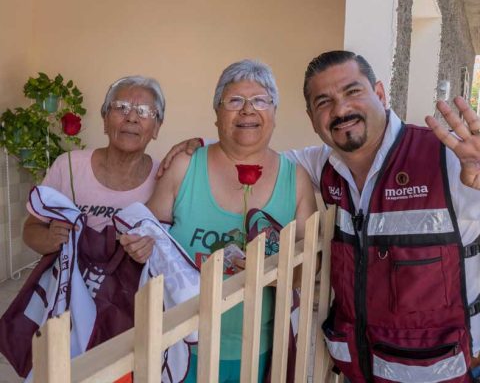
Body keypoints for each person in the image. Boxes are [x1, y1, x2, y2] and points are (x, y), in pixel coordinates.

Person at [158, 51, 480, 382]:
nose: (340, 109)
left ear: (380, 95)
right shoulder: (322, 165)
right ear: (313, 118)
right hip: (358, 371)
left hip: (443, 372)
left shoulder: (450, 161)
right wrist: (203, 145)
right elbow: (250, 150)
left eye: (353, 91)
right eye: (324, 101)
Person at [121, 59, 317, 382]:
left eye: (260, 100)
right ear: (216, 113)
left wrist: (273, 269)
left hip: (257, 349)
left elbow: (309, 269)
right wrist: (138, 246)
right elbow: (149, 236)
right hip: (180, 346)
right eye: (234, 101)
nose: (247, 110)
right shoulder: (185, 166)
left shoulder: (295, 180)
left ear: (275, 114)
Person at [20, 75, 165, 382]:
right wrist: (49, 239)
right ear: (103, 119)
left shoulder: (165, 175)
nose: (131, 117)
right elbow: (30, 228)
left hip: (129, 315)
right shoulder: (69, 166)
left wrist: (151, 248)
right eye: (121, 107)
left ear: (157, 127)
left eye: (144, 111)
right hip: (64, 310)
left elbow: (171, 250)